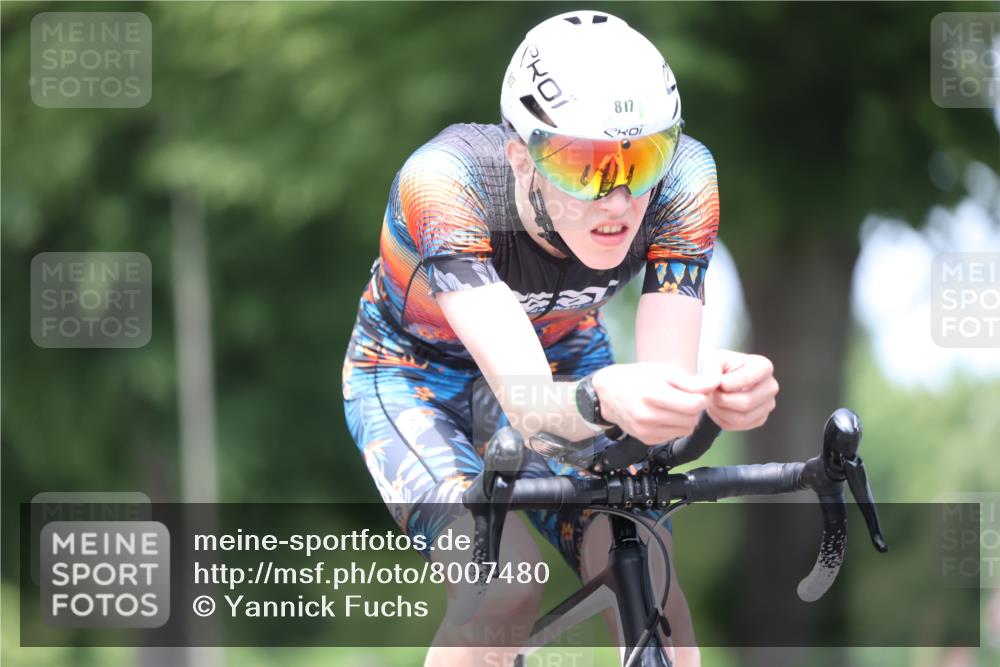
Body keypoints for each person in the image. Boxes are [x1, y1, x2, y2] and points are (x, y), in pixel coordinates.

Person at [341, 9, 779, 666]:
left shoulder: (685, 182)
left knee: (643, 564)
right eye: (587, 165)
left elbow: (656, 421)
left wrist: (715, 396)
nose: (620, 200)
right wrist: (606, 396)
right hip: (411, 377)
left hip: (565, 357)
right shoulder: (445, 182)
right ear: (523, 159)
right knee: (504, 585)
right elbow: (527, 402)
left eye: (644, 157)